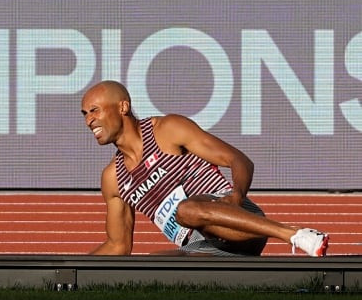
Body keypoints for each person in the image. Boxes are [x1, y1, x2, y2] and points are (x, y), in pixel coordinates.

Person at [81, 81, 330, 257]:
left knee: (186, 210)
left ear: (122, 107)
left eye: (94, 110)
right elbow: (118, 246)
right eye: (84, 114)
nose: (88, 120)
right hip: (205, 247)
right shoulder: (113, 179)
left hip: (239, 222)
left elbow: (239, 160)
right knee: (151, 268)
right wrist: (70, 272)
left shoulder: (167, 130)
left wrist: (236, 196)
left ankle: (295, 235)